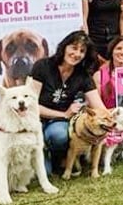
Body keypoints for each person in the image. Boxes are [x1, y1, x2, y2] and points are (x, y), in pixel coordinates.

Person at [30, 31, 104, 174]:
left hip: (57, 124)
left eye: (82, 51)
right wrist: (64, 114)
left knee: (59, 135)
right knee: (44, 172)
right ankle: (42, 151)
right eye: (74, 48)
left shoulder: (83, 75)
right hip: (35, 119)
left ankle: (57, 156)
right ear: (64, 47)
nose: (77, 53)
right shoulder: (43, 66)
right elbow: (31, 104)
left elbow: (99, 107)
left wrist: (111, 120)